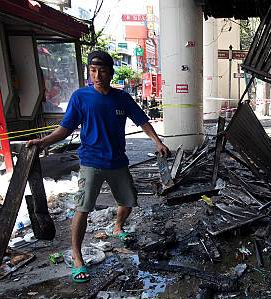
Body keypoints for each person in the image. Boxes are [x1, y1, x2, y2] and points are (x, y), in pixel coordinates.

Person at [27, 50, 169, 283]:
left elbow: (142, 120)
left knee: (128, 201)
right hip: (91, 162)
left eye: (102, 70)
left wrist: (158, 142)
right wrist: (43, 142)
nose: (97, 75)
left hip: (117, 161)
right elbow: (65, 129)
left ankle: (117, 227)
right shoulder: (80, 97)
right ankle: (77, 256)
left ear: (111, 72)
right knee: (82, 209)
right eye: (93, 71)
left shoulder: (122, 98)